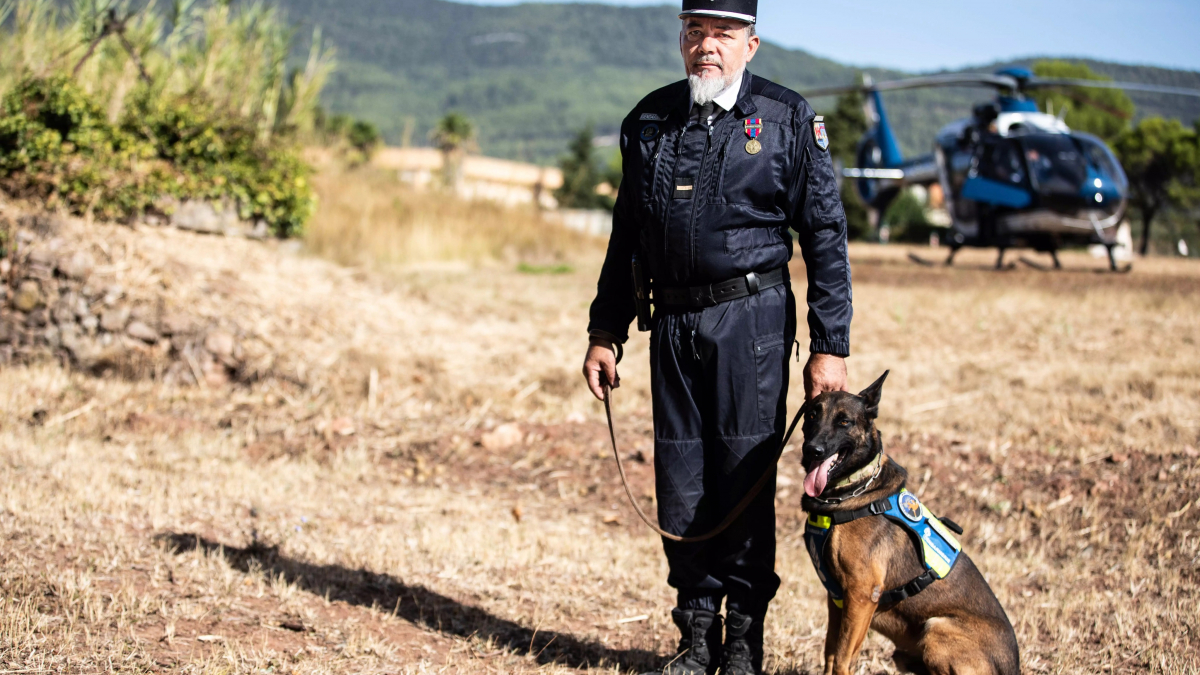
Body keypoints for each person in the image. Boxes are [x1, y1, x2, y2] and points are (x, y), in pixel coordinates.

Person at [580, 1, 853, 673]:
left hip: (751, 324)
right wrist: (604, 330)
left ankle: (742, 642)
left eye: (724, 34)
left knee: (740, 478)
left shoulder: (788, 121)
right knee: (680, 479)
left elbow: (825, 236)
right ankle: (696, 633)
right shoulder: (648, 121)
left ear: (751, 44)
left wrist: (830, 344)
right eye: (695, 31)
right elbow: (626, 237)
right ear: (681, 38)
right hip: (669, 324)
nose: (707, 46)